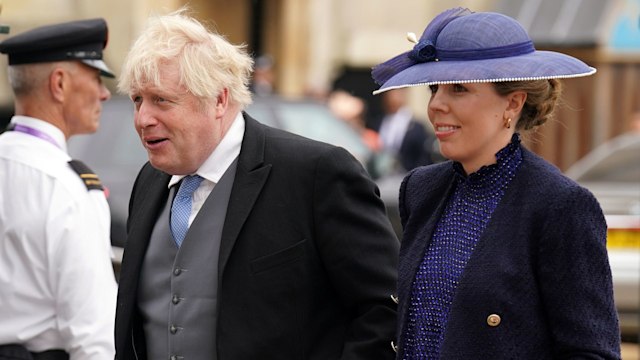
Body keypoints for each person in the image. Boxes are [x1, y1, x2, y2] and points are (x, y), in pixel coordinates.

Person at [114, 9, 399, 360]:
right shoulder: (149, 182)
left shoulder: (316, 174)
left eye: (161, 100)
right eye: (137, 100)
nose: (143, 119)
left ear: (219, 99)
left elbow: (384, 309)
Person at [372, 7, 621, 359]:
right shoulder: (420, 188)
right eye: (434, 88)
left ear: (513, 104)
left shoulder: (560, 205)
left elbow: (591, 352)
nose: (436, 105)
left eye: (458, 88)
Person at [0, 19, 117, 360]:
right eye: (97, 78)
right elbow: (93, 337)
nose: (105, 93)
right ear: (60, 84)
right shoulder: (67, 187)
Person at [377, 88, 438, 171]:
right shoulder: (380, 121)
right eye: (389, 94)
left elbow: (423, 155)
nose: (393, 97)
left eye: (397, 93)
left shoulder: (416, 126)